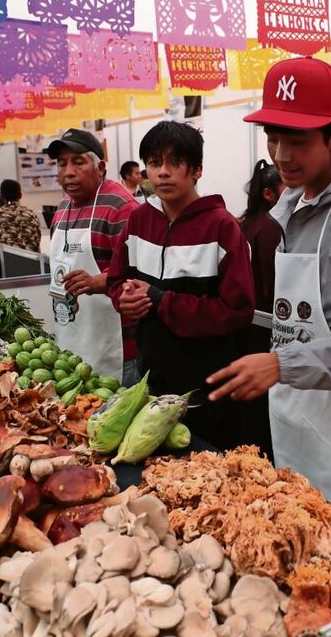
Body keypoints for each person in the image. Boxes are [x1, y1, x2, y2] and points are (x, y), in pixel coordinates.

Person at [205, 57, 331, 517]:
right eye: (273, 138)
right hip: (296, 423)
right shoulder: (295, 206)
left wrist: (282, 364)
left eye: (297, 140)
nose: (281, 155)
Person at [107, 121, 255, 450]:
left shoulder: (221, 227)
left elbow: (236, 312)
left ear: (197, 169)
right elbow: (116, 280)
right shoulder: (139, 220)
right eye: (154, 162)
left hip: (208, 391)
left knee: (208, 467)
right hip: (151, 384)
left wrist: (160, 300)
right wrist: (123, 299)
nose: (163, 172)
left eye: (175, 162)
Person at [48, 128, 139, 384]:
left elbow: (140, 273)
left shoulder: (121, 208)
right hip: (73, 340)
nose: (68, 172)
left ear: (100, 168)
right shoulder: (63, 206)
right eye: (62, 163)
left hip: (117, 350)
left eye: (78, 162)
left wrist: (96, 282)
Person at [240, 159, 284, 312]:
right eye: (289, 189)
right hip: (265, 316)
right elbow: (272, 285)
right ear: (268, 194)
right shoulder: (269, 227)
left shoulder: (250, 222)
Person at [0, 179, 42, 252]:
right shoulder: (31, 214)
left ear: (1, 196)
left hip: (7, 256)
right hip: (29, 257)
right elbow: (37, 239)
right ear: (20, 195)